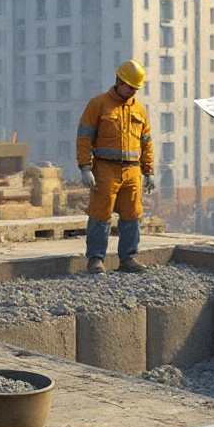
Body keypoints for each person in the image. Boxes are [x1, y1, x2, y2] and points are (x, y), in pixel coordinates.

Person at [76, 60, 155, 274]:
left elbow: (146, 141)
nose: (132, 91)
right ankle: (96, 259)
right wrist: (85, 167)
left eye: (136, 88)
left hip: (132, 171)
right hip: (105, 169)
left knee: (132, 215)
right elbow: (84, 137)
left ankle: (128, 259)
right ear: (119, 81)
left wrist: (148, 171)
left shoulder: (139, 109)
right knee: (101, 215)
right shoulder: (99, 104)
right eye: (130, 87)